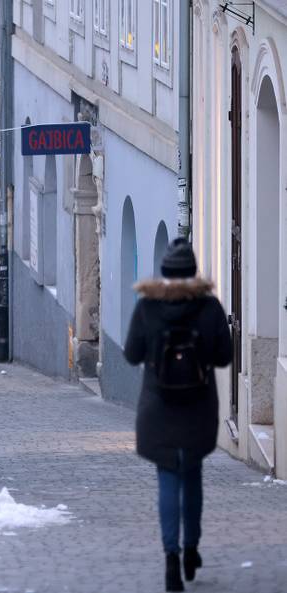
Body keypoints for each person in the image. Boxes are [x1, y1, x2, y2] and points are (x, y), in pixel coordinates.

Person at [124, 238, 232, 592]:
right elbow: (223, 358)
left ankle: (170, 559)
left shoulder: (147, 308)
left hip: (159, 407)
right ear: (192, 271)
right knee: (193, 477)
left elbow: (131, 354)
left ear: (166, 272)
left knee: (168, 480)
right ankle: (191, 549)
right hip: (198, 407)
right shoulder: (211, 308)